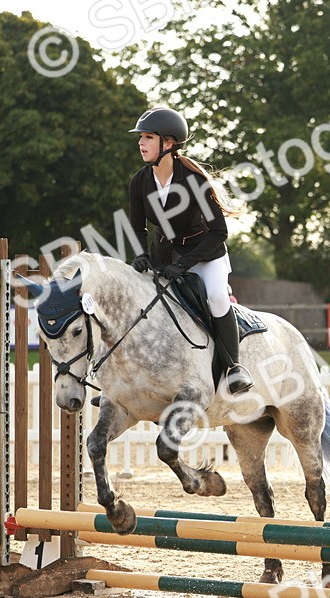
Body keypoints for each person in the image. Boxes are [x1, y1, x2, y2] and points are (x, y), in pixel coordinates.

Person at [126, 107, 254, 394]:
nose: (141, 143)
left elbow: (219, 232)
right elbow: (137, 227)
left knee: (217, 297)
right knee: (141, 303)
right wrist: (140, 255)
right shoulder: (139, 181)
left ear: (168, 143)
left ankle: (233, 367)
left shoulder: (194, 180)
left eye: (148, 137)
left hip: (205, 254)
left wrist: (184, 264)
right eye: (141, 137)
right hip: (163, 256)